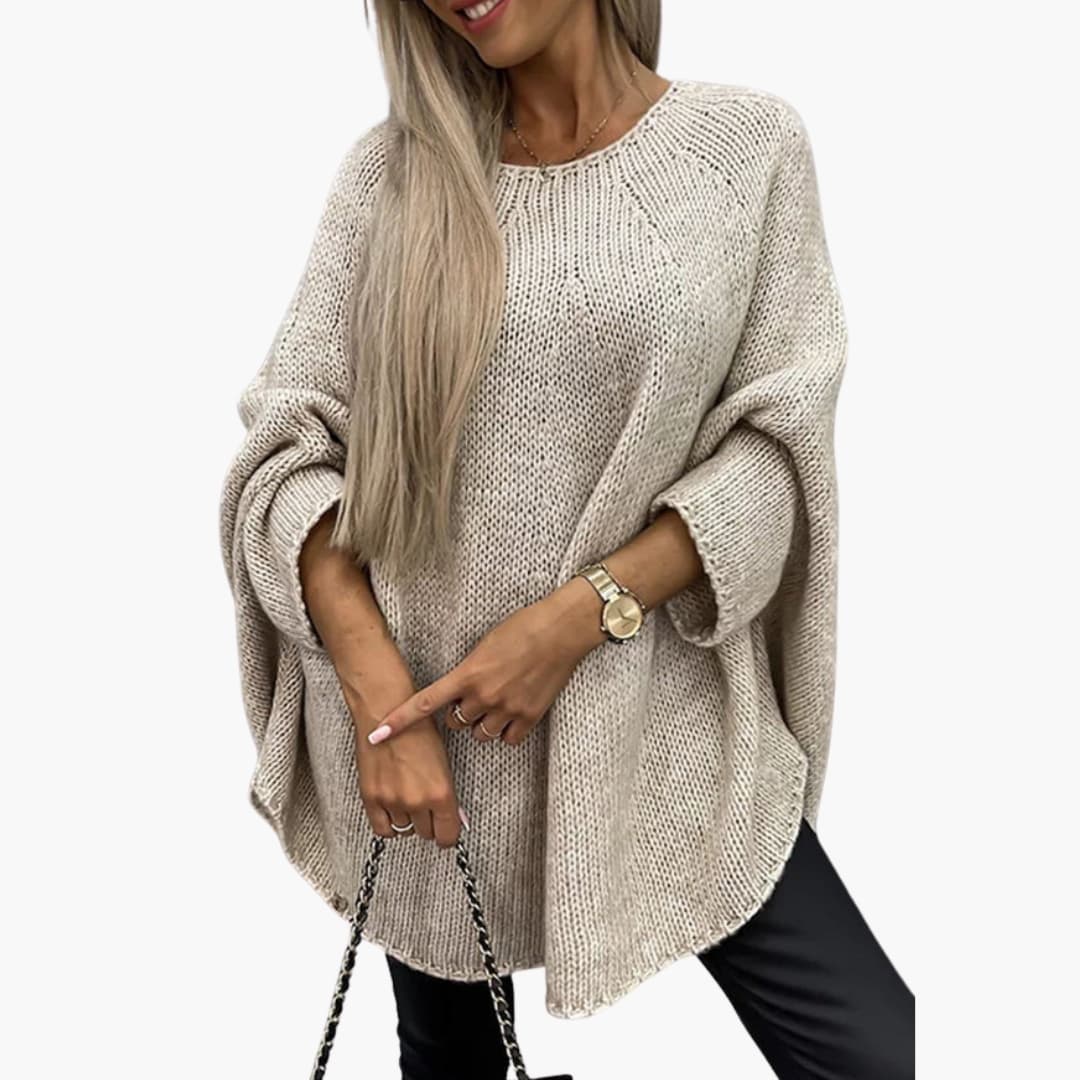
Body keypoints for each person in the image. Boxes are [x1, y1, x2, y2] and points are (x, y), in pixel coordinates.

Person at [218, 1, 915, 1076]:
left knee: (874, 1047)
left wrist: (582, 614)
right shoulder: (393, 179)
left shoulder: (746, 149)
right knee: (450, 1063)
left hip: (664, 729)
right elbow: (287, 455)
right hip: (433, 751)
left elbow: (777, 451)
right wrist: (378, 707)